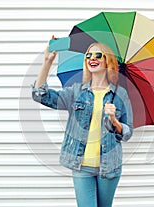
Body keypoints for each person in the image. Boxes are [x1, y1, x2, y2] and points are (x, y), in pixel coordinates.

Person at [32, 37, 133, 207]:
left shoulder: (120, 94)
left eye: (98, 55)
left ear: (108, 60)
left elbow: (127, 132)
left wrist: (115, 121)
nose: (92, 58)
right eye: (88, 55)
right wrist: (47, 63)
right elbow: (41, 96)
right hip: (82, 166)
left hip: (109, 167)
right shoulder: (76, 92)